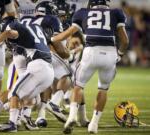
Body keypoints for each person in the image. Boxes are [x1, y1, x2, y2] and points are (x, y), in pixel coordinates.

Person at [51, 0, 129, 134]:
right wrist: (120, 55)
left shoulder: (83, 13)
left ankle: (71, 117)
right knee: (103, 89)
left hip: (91, 52)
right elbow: (125, 40)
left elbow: (69, 32)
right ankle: (94, 124)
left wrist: (51, 39)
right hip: (110, 53)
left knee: (78, 86)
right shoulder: (116, 13)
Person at [0, 16, 54, 132]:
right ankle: (24, 118)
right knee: (29, 97)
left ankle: (11, 123)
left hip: (37, 66)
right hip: (49, 71)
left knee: (14, 92)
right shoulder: (35, 28)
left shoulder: (16, 28)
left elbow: (9, 33)